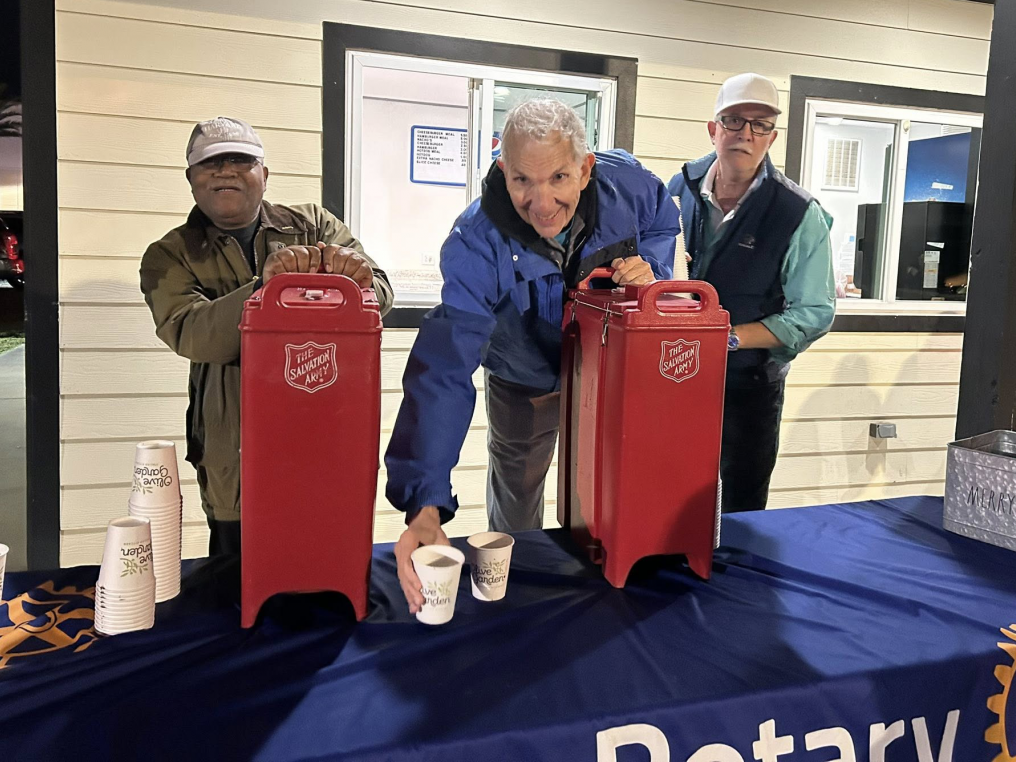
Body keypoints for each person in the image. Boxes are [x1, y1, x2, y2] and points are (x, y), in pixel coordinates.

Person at [385, 98, 679, 613]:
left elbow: (662, 221)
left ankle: (609, 598)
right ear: (504, 170)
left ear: (585, 169)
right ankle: (517, 598)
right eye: (523, 180)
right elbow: (445, 367)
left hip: (607, 370)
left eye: (559, 178)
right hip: (521, 377)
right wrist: (424, 504)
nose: (542, 203)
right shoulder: (476, 240)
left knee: (611, 487)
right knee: (517, 493)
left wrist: (651, 269)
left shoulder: (629, 187)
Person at [140, 117, 393, 556]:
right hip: (235, 455)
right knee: (241, 578)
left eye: (240, 160)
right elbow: (191, 332)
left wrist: (355, 277)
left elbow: (382, 294)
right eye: (211, 163)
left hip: (328, 438)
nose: (226, 170)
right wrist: (266, 289)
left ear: (264, 173)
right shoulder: (169, 255)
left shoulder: (314, 225)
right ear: (191, 178)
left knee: (331, 566)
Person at [668, 73, 835, 513]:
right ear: (713, 129)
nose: (746, 133)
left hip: (749, 388)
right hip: (672, 379)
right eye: (734, 120)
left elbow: (813, 313)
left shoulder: (798, 213)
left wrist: (728, 338)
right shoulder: (678, 188)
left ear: (772, 138)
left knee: (740, 510)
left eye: (760, 125)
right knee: (669, 494)